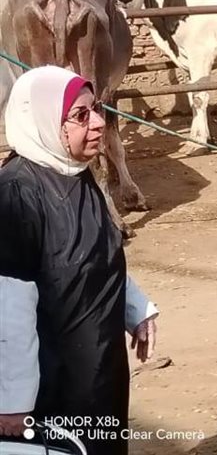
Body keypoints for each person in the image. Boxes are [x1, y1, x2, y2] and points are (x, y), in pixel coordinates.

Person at [0, 65, 159, 455]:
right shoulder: (17, 195)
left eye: (97, 110)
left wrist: (137, 309)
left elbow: (97, 253)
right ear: (42, 119)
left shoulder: (77, 174)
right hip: (50, 382)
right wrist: (13, 400)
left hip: (100, 369)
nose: (99, 123)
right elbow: (8, 306)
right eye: (80, 115)